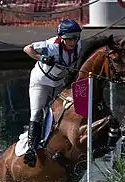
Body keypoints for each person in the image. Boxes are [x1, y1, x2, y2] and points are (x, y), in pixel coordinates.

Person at [23, 19, 82, 167]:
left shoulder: (78, 47)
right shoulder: (50, 46)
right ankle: (30, 149)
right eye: (69, 39)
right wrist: (41, 58)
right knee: (37, 112)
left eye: (75, 38)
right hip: (41, 82)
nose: (72, 43)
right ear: (62, 38)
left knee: (63, 111)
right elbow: (27, 49)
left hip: (58, 84)